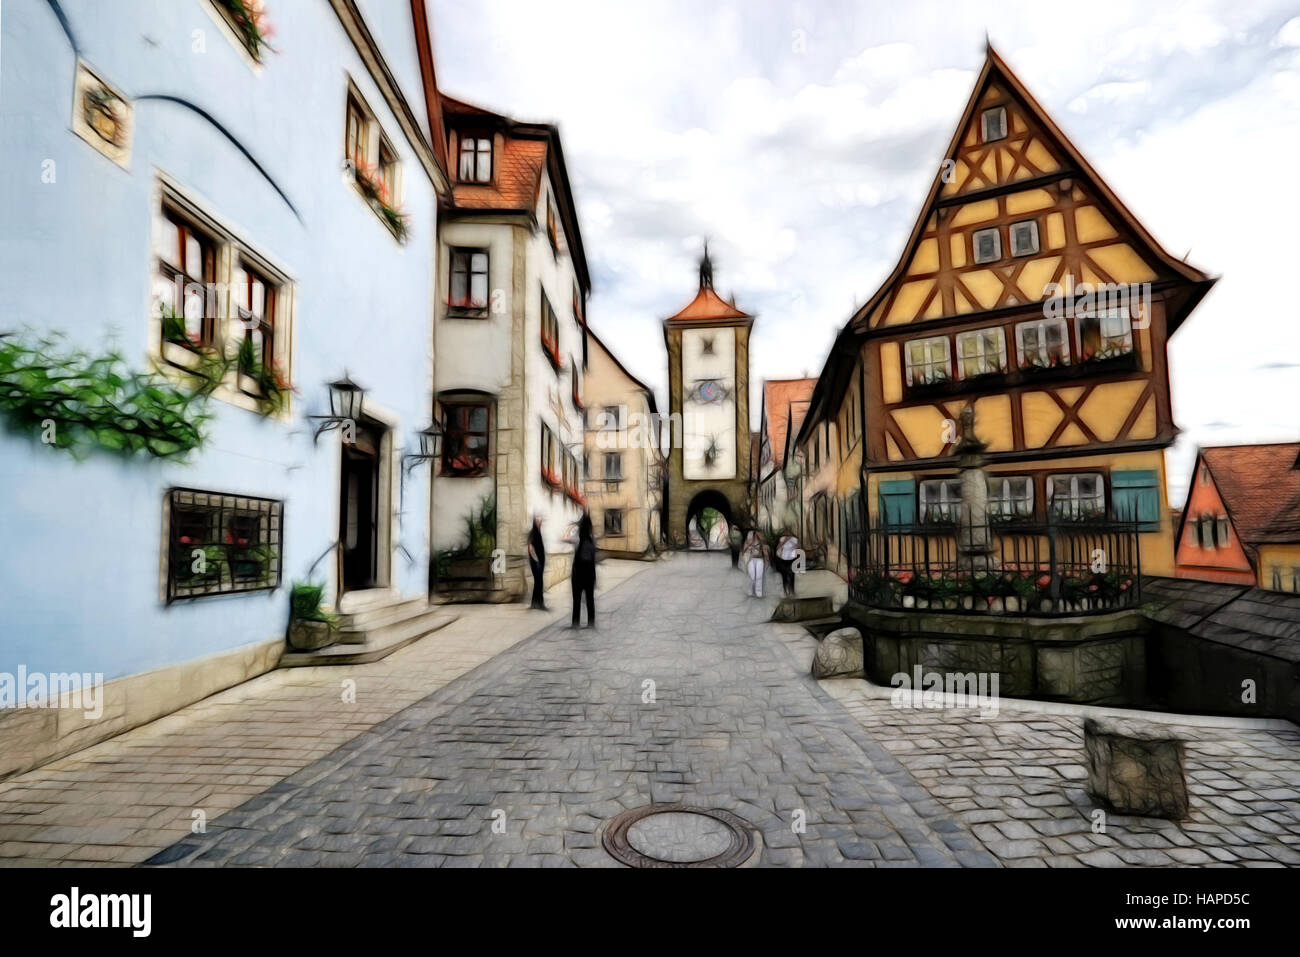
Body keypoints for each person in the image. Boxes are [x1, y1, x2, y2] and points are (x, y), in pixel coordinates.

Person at [570, 512, 597, 628]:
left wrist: (573, 527)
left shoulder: (578, 539)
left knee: (577, 600)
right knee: (590, 600)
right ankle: (591, 623)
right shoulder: (591, 541)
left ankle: (576, 623)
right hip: (590, 575)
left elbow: (565, 537)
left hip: (579, 575)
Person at [527, 516, 546, 610]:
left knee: (539, 583)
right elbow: (530, 548)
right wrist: (537, 561)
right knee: (539, 582)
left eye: (540, 520)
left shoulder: (538, 532)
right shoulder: (533, 533)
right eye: (538, 520)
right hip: (536, 563)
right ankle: (538, 604)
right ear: (534, 522)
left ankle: (536, 603)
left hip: (539, 562)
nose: (540, 522)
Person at [741, 530, 767, 598]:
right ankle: (750, 592)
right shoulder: (747, 542)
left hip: (760, 560)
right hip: (751, 560)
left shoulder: (761, 542)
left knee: (759, 577)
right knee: (751, 576)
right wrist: (749, 544)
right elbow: (743, 552)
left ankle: (759, 593)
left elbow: (765, 551)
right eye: (753, 534)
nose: (754, 536)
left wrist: (767, 560)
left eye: (755, 534)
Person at [777, 530, 800, 597]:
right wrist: (784, 541)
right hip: (783, 559)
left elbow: (798, 548)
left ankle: (792, 591)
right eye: (785, 532)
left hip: (792, 559)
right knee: (784, 576)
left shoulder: (795, 539)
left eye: (788, 532)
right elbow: (778, 548)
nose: (787, 533)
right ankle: (785, 591)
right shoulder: (782, 539)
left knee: (792, 575)